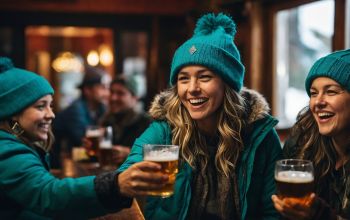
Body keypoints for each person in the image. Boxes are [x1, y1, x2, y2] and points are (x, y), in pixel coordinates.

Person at [117, 13, 282, 220]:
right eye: (183, 79)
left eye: (204, 77)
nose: (192, 89)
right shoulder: (164, 129)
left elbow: (273, 212)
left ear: (227, 84)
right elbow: (127, 171)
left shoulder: (261, 135)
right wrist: (130, 177)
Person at [0, 57, 168, 219]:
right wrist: (116, 184)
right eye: (40, 106)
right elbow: (47, 194)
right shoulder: (6, 148)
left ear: (135, 97)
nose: (51, 114)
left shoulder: (147, 123)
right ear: (13, 111)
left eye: (50, 105)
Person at [271, 49, 350, 219]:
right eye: (314, 93)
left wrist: (320, 216)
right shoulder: (303, 138)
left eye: (331, 92)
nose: (318, 102)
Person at [51, 65, 110, 168]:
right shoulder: (76, 110)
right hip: (60, 165)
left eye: (107, 88)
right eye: (102, 87)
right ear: (87, 90)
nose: (107, 93)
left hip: (80, 161)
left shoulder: (101, 108)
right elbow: (83, 140)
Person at [100, 75, 152, 164]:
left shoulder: (147, 123)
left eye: (120, 93)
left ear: (135, 97)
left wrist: (130, 153)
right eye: (111, 92)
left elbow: (160, 152)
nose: (113, 98)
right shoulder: (106, 120)